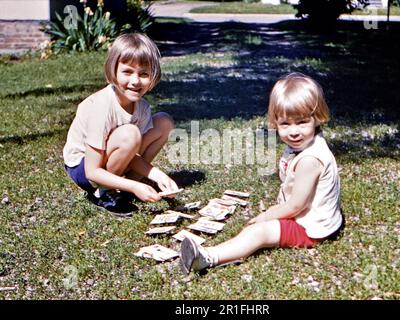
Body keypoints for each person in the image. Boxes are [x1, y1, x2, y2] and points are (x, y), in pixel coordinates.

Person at [180, 72, 343, 274]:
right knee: (259, 228)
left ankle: (207, 257)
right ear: (275, 122)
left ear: (317, 118)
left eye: (302, 122)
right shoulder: (304, 144)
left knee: (258, 233)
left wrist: (267, 216)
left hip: (312, 229)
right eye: (285, 124)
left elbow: (296, 205)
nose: (293, 131)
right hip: (310, 217)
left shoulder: (310, 160)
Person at [63, 33, 179, 215]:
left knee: (164, 122)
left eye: (144, 74)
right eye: (127, 72)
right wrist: (134, 186)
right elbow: (92, 171)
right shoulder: (101, 106)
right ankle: (103, 192)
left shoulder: (142, 107)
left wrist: (157, 174)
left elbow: (133, 153)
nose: (135, 81)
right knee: (130, 134)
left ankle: (126, 186)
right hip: (84, 168)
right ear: (113, 71)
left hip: (112, 155)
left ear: (153, 76)